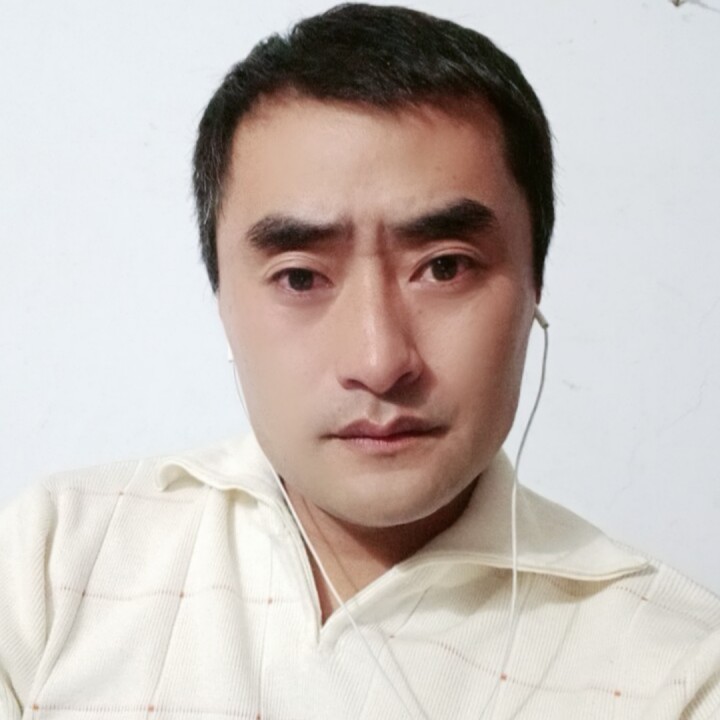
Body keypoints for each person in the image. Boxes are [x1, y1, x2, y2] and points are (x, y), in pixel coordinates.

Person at [1, 3, 718, 719]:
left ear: (535, 283)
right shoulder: (56, 560)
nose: (379, 361)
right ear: (222, 299)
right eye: (300, 277)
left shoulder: (680, 673)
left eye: (444, 267)